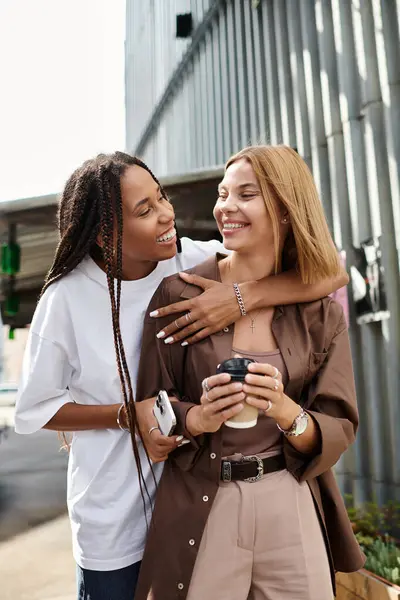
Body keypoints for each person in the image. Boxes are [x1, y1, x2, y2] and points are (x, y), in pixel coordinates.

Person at [14, 151, 347, 600]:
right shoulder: (66, 297)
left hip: (192, 498)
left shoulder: (187, 258)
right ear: (105, 234)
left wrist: (242, 298)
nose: (167, 214)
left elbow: (328, 275)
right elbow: (35, 411)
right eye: (145, 210)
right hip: (116, 513)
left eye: (162, 197)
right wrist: (129, 415)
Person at [134, 145, 365, 600]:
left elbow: (339, 423)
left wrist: (286, 411)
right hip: (205, 498)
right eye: (223, 194)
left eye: (246, 194)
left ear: (283, 209)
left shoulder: (319, 312)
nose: (226, 207)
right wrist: (196, 417)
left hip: (289, 497)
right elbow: (150, 408)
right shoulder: (178, 294)